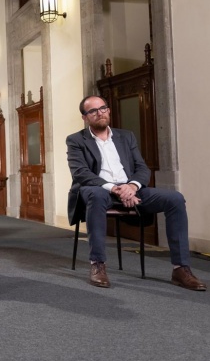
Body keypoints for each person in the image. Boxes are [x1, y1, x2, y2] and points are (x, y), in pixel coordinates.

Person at [66, 95, 206, 290]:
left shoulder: (126, 136)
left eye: (103, 108)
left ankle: (181, 268)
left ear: (109, 110)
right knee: (96, 195)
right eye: (93, 111)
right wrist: (114, 188)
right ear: (85, 117)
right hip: (100, 189)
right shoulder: (76, 140)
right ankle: (97, 264)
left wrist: (131, 187)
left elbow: (141, 168)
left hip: (129, 188)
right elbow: (81, 173)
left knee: (175, 198)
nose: (100, 113)